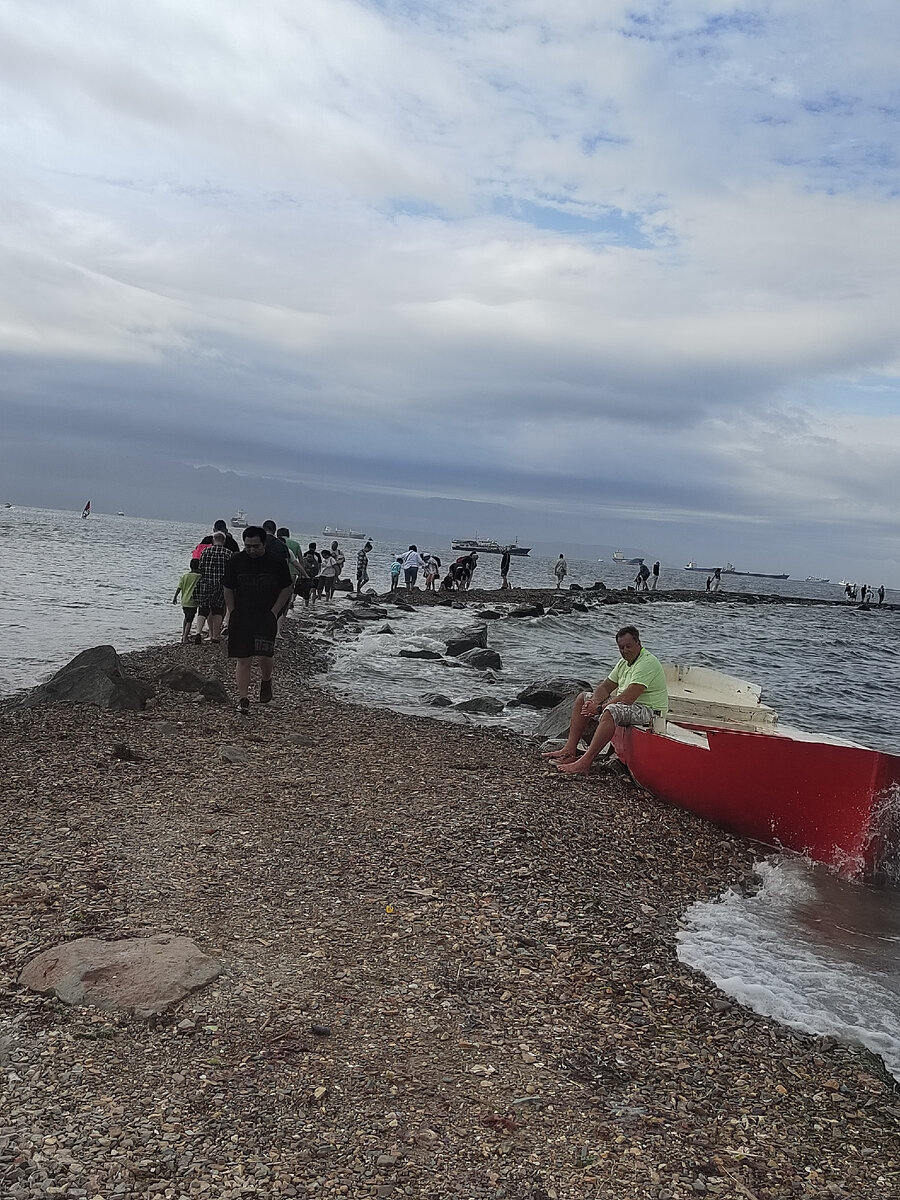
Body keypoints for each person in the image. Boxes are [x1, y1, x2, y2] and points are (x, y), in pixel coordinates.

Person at [543, 626, 668, 775]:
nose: (625, 650)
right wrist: (594, 701)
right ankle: (569, 750)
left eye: (629, 646)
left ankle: (585, 762)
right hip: (628, 705)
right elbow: (606, 686)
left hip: (649, 711)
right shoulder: (623, 662)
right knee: (583, 697)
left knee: (611, 710)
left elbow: (629, 697)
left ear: (638, 643)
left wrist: (599, 709)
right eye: (621, 647)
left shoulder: (647, 663)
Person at [223, 526, 293, 715]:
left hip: (266, 614)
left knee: (264, 655)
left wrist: (275, 611)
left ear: (264, 544)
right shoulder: (236, 560)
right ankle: (243, 699)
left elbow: (287, 587)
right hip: (242, 614)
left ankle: (266, 679)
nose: (251, 550)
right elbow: (228, 588)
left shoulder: (276, 562)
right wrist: (232, 611)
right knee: (243, 658)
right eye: (248, 546)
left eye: (255, 546)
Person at [196, 531, 233, 644]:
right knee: (217, 610)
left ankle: (198, 632)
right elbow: (230, 571)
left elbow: (200, 567)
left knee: (203, 609)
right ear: (224, 541)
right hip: (220, 584)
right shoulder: (228, 553)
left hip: (205, 583)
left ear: (213, 540)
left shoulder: (205, 551)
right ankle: (215, 636)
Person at [173, 558, 201, 644]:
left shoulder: (184, 576)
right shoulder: (198, 577)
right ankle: (185, 638)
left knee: (186, 617)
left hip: (184, 601)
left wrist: (175, 597)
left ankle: (183, 634)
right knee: (190, 619)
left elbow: (179, 588)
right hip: (192, 601)